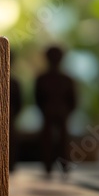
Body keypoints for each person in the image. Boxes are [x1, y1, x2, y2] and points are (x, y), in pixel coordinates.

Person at [35, 46, 77, 176]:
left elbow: (73, 100)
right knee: (47, 141)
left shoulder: (66, 79)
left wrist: (65, 112)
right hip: (48, 114)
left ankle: (64, 166)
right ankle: (48, 165)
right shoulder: (42, 79)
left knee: (64, 141)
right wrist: (45, 110)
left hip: (61, 114)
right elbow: (38, 98)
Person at [10, 52, 23, 172]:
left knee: (11, 140)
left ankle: (11, 165)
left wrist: (12, 114)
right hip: (0, 116)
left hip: (11, 115)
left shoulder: (14, 82)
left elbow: (19, 103)